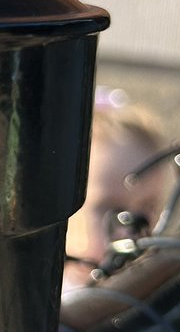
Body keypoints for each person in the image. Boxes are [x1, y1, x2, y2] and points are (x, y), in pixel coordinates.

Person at [64, 89, 170, 292]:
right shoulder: (47, 305)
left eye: (147, 207)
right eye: (108, 207)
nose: (127, 231)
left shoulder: (157, 296)